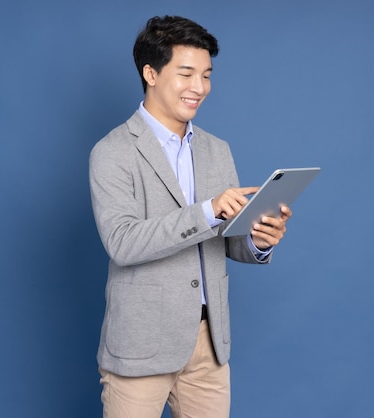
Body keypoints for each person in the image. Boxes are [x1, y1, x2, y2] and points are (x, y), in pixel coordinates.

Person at [89, 15, 292, 418]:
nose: (199, 87)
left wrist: (257, 240)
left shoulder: (218, 150)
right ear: (150, 73)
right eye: (186, 74)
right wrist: (208, 209)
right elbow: (123, 243)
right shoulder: (112, 152)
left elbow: (226, 239)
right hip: (140, 348)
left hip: (208, 345)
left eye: (206, 75)